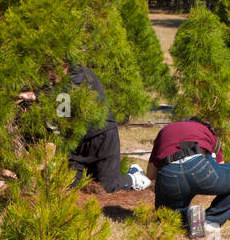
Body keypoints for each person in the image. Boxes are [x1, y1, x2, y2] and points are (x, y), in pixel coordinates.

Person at [17, 63, 149, 193]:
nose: (48, 76)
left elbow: (64, 91)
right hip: (77, 143)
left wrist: (34, 95)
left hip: (102, 138)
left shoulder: (80, 74)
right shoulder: (54, 85)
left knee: (108, 187)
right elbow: (62, 114)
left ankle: (134, 177)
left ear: (64, 66)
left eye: (51, 71)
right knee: (67, 186)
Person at [146, 118, 230, 239]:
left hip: (169, 172)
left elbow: (150, 174)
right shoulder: (208, 132)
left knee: (166, 216)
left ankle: (188, 213)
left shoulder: (164, 131)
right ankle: (211, 220)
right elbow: (220, 168)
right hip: (200, 167)